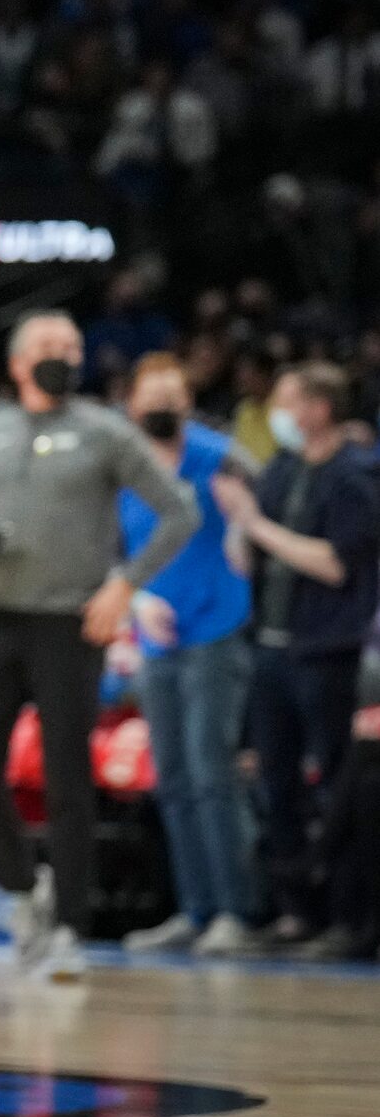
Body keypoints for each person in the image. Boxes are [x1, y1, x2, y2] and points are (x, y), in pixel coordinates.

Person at [0, 313, 198, 981]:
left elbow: (179, 512)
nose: (62, 357)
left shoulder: (104, 430)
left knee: (65, 778)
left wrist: (123, 586)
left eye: (71, 348)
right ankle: (24, 891)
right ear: (18, 362)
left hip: (69, 624)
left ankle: (70, 931)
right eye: (48, 348)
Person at [213, 361, 380, 956]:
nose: (275, 414)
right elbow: (249, 557)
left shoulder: (357, 474)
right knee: (275, 783)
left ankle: (348, 917)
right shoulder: (282, 468)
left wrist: (256, 524)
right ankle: (295, 911)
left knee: (338, 788)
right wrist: (239, 523)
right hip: (271, 647)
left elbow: (336, 564)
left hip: (329, 652)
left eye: (286, 401)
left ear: (318, 408)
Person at [118, 354, 260, 958]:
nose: (163, 405)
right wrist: (137, 601)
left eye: (174, 394)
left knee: (211, 773)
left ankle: (236, 910)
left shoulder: (219, 456)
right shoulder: (123, 466)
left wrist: (240, 525)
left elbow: (257, 517)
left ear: (188, 399)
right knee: (173, 779)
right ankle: (194, 910)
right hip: (156, 636)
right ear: (132, 406)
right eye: (152, 396)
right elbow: (107, 551)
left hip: (216, 630)